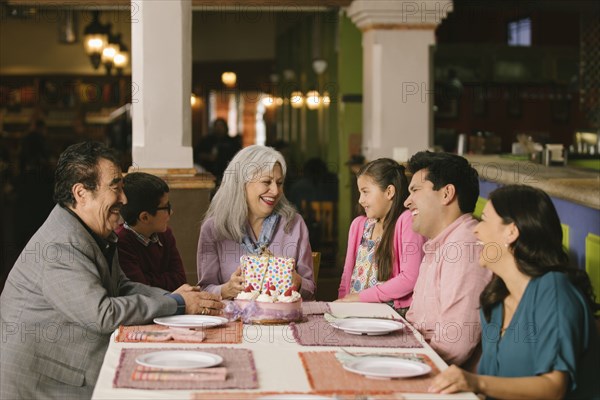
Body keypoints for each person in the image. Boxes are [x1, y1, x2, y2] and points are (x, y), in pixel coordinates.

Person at [0, 142, 223, 399]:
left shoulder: (91, 230)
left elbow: (123, 287)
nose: (124, 199)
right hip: (46, 382)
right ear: (81, 193)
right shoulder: (59, 247)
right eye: (115, 187)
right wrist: (177, 303)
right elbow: (103, 314)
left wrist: (175, 297)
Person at [429, 185, 600, 399]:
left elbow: (554, 388)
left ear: (511, 231)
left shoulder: (554, 290)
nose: (476, 229)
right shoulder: (494, 300)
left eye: (484, 219)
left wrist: (475, 381)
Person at [404, 151, 492, 367]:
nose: (407, 202)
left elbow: (455, 345)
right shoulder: (440, 242)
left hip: (442, 376)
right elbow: (414, 320)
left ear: (446, 194)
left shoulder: (465, 245)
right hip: (422, 359)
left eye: (415, 190)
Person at [197, 145, 315, 300]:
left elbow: (311, 289)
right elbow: (205, 289)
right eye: (267, 182)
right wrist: (226, 290)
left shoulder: (294, 224)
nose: (275, 191)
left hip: (282, 319)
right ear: (242, 184)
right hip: (233, 320)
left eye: (279, 183)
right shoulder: (214, 229)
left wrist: (298, 282)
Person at [336, 158, 426, 317]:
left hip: (389, 316)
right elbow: (346, 277)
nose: (360, 200)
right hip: (354, 314)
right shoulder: (359, 225)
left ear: (389, 192)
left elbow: (410, 278)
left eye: (365, 192)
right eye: (360, 193)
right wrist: (341, 306)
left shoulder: (406, 221)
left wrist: (361, 297)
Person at [116, 172, 187, 292]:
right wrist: (165, 279)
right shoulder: (121, 243)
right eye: (166, 207)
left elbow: (180, 280)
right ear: (145, 217)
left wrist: (149, 279)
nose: (171, 212)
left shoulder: (165, 235)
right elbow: (141, 290)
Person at [194, 118, 241, 184]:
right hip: (209, 173)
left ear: (225, 127)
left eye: (221, 126)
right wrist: (207, 157)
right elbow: (196, 154)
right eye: (217, 126)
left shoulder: (232, 142)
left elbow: (238, 156)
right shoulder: (206, 141)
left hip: (227, 174)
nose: (219, 128)